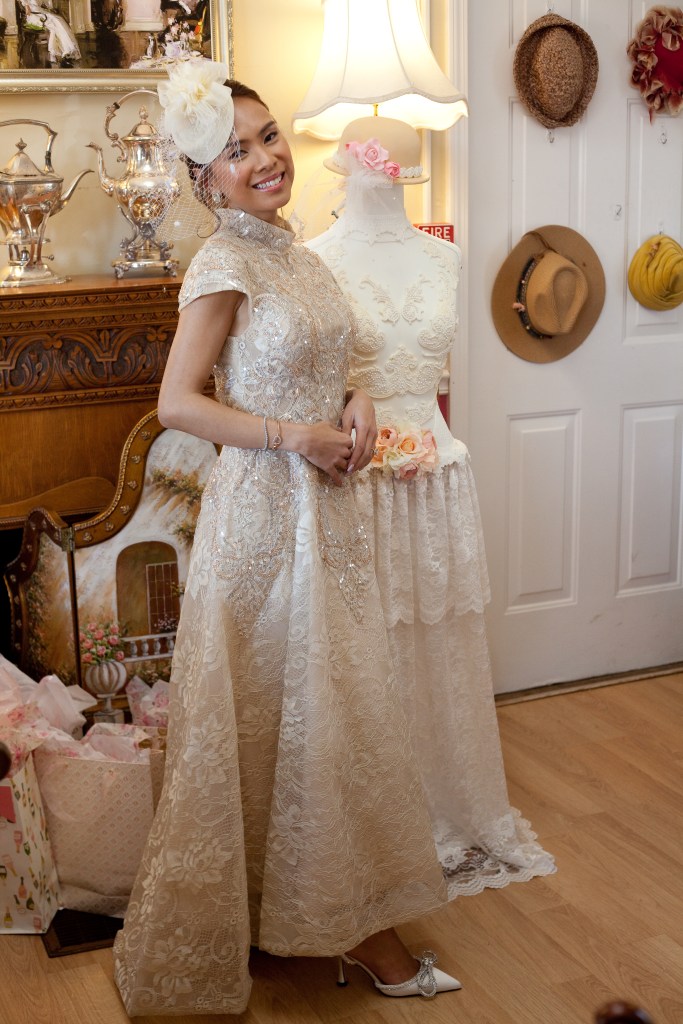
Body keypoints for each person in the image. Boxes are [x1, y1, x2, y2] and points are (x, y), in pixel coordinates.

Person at [113, 61, 463, 1016]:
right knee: (292, 712)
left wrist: (352, 399)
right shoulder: (221, 263)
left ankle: (318, 913)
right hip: (265, 520)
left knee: (322, 716)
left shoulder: (295, 253)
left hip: (328, 515)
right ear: (205, 181)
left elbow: (323, 358)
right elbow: (177, 403)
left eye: (267, 136)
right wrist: (296, 437)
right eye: (237, 151)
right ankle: (350, 935)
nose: (265, 157)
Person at [306, 117, 555, 900]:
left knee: (436, 641)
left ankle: (446, 805)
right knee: (363, 649)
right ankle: (370, 825)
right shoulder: (313, 261)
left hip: (436, 474)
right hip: (356, 479)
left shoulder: (446, 255)